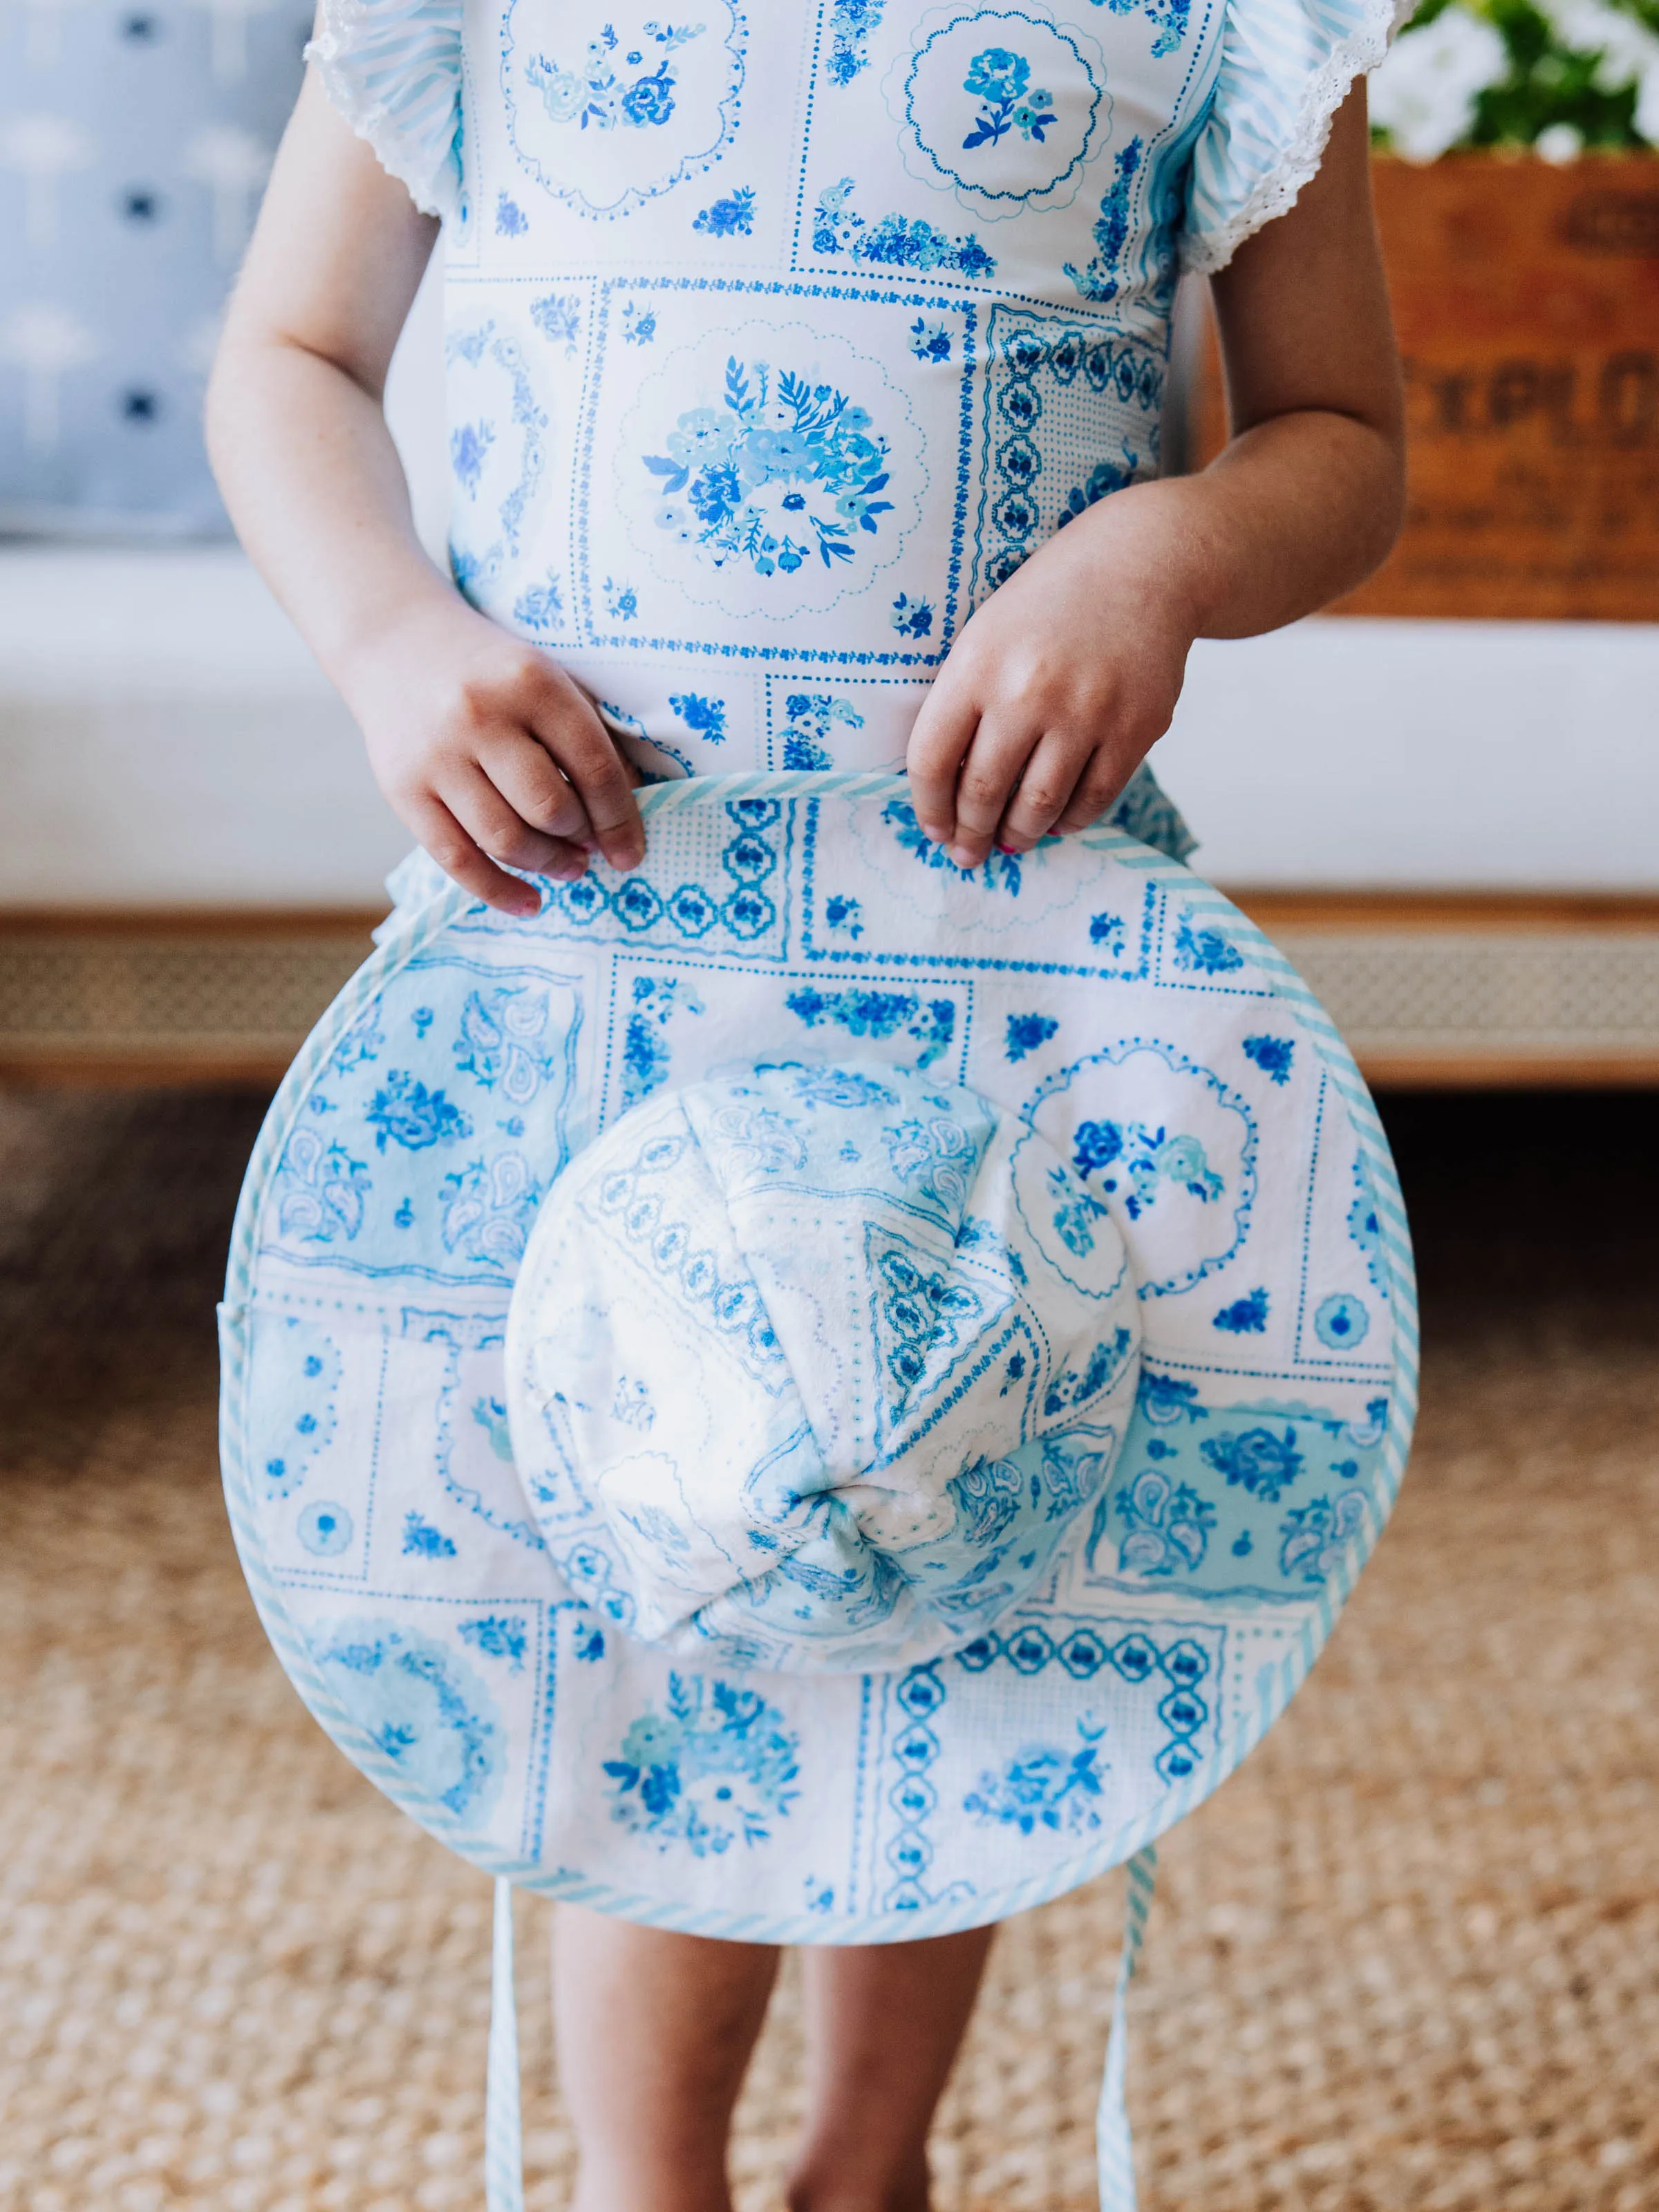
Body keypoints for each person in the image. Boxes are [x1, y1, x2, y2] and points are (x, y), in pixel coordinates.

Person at [207, 7, 1405, 2204]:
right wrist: (390, 637)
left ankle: (876, 2159)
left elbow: (1339, 437)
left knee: (942, 1548)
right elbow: (289, 355)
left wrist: (1156, 559)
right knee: (660, 1570)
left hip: (992, 945)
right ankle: (643, 2181)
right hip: (610, 942)